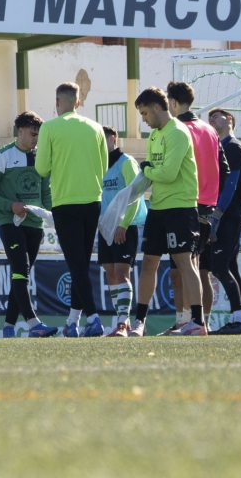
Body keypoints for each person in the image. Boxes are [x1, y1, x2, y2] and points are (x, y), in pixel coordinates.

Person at [35, 82, 108, 337]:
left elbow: (41, 168)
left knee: (76, 265)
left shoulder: (49, 127)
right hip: (93, 200)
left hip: (65, 202)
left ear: (57, 102)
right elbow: (104, 167)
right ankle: (72, 322)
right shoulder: (96, 127)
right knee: (81, 264)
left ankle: (94, 318)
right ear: (78, 102)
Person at [131, 87, 206, 335]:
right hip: (158, 207)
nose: (143, 119)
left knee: (185, 263)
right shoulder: (154, 135)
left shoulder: (178, 132)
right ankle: (140, 323)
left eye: (144, 113)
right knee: (148, 263)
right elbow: (154, 171)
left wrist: (146, 170)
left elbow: (167, 173)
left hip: (180, 208)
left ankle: (198, 322)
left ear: (156, 107)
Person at [0, 111, 58, 338]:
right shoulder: (1, 155)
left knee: (20, 275)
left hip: (35, 225)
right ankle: (34, 324)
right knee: (21, 271)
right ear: (20, 131)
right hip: (10, 223)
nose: (36, 139)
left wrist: (52, 215)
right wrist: (10, 205)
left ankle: (8, 327)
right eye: (33, 134)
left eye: (39, 135)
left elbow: (45, 192)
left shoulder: (41, 156)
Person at [167, 81, 229, 332]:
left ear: (172, 102)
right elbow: (224, 170)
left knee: (185, 266)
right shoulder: (210, 130)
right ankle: (192, 321)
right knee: (193, 266)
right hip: (206, 206)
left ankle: (192, 321)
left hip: (184, 203)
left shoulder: (178, 129)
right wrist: (211, 197)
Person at [207, 108, 241, 335]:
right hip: (228, 215)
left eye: (216, 116)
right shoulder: (220, 147)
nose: (212, 120)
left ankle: (239, 319)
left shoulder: (232, 147)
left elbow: (232, 184)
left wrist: (216, 216)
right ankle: (237, 319)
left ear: (230, 119)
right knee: (230, 266)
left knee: (219, 266)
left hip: (227, 216)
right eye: (210, 118)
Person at [99, 126, 143, 337]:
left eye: (103, 139)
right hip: (105, 226)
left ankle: (123, 322)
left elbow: (135, 195)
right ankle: (120, 321)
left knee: (121, 272)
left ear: (113, 139)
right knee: (110, 272)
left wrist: (124, 224)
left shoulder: (126, 162)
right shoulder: (99, 165)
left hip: (124, 226)